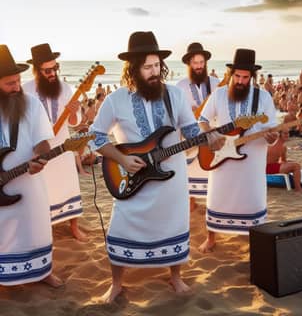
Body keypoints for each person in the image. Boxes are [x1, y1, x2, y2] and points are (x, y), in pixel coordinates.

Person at [88, 31, 224, 303]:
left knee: (174, 225)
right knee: (120, 228)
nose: (154, 72)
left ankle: (175, 276)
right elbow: (96, 136)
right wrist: (123, 159)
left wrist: (209, 138)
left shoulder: (174, 94)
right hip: (131, 178)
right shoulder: (117, 99)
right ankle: (116, 283)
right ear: (133, 68)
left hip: (171, 180)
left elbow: (189, 128)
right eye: (147, 67)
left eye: (156, 66)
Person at [198, 48, 278, 252]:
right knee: (217, 196)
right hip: (222, 156)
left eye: (245, 77)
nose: (241, 81)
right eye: (237, 76)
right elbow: (203, 120)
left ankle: (254, 238)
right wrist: (211, 134)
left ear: (252, 76)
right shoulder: (219, 94)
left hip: (252, 160)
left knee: (252, 199)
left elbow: (272, 129)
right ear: (231, 74)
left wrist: (272, 136)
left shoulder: (263, 97)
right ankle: (211, 237)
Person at [0, 44, 62, 287]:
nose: (17, 87)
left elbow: (42, 141)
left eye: (18, 80)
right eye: (9, 83)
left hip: (29, 182)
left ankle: (42, 272)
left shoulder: (32, 105)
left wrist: (42, 157)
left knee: (35, 227)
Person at [23, 43, 87, 241]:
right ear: (37, 70)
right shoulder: (25, 91)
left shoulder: (65, 88)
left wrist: (75, 109)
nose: (53, 73)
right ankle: (45, 228)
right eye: (48, 70)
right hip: (39, 148)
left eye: (55, 68)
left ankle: (74, 226)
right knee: (43, 190)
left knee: (69, 184)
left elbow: (74, 123)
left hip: (63, 147)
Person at [176, 43, 220, 211]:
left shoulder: (217, 84)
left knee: (213, 177)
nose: (199, 66)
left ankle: (212, 206)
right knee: (191, 175)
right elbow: (177, 113)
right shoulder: (180, 86)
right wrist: (189, 112)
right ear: (189, 64)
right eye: (195, 62)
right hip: (191, 138)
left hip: (213, 135)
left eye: (201, 62)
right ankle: (191, 205)